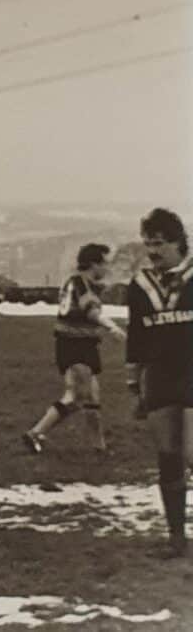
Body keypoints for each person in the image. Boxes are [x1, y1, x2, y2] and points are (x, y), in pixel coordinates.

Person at [125, 208, 193, 558]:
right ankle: (176, 537)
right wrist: (134, 385)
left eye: (160, 244)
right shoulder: (140, 285)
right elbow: (135, 338)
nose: (152, 251)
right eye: (148, 243)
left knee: (192, 451)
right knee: (168, 455)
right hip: (160, 376)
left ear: (179, 243)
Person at [22, 244, 125, 454]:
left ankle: (99, 447)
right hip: (74, 345)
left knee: (90, 398)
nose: (107, 268)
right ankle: (35, 433)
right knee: (78, 397)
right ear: (94, 263)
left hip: (83, 344)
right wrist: (112, 327)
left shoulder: (81, 282)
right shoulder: (80, 283)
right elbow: (91, 312)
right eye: (104, 263)